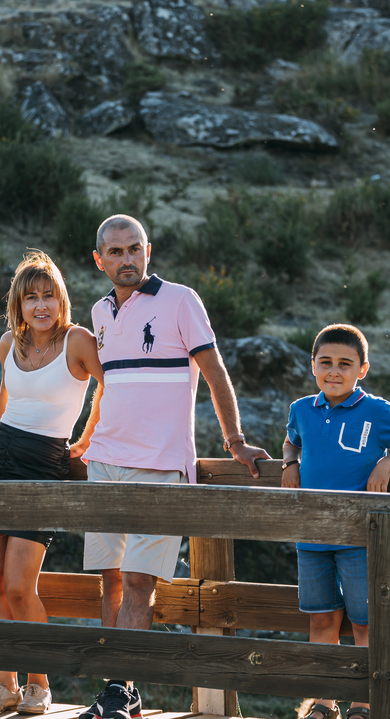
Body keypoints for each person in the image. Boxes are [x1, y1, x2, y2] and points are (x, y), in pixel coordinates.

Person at [76, 214, 271, 719]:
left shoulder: (181, 299)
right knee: (110, 581)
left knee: (141, 582)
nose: (126, 259)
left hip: (161, 466)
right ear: (99, 260)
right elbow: (105, 386)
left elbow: (215, 372)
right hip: (104, 463)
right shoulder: (98, 311)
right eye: (115, 252)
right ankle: (117, 691)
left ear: (148, 251)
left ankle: (120, 686)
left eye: (133, 249)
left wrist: (235, 441)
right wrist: (84, 439)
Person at [0, 251, 105, 716]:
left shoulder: (78, 340)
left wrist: (86, 439)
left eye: (49, 295)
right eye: (31, 297)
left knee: (18, 586)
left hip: (45, 461)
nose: (41, 305)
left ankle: (38, 683)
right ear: (19, 303)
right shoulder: (8, 342)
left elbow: (110, 387)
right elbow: (5, 395)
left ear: (61, 299)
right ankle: (4, 685)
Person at [281, 324, 390, 719]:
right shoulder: (301, 409)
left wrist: (387, 461)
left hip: (360, 537)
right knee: (322, 620)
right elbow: (292, 439)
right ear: (313, 366)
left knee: (365, 623)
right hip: (311, 535)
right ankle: (323, 704)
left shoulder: (376, 411)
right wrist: (290, 462)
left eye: (345, 364)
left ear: (362, 369)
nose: (334, 371)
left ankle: (362, 705)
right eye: (325, 363)